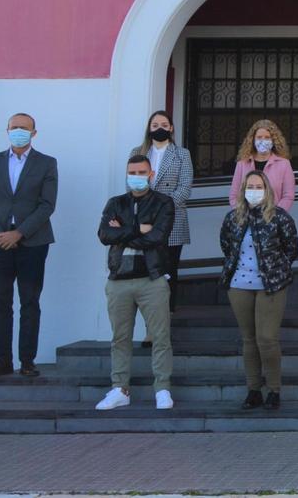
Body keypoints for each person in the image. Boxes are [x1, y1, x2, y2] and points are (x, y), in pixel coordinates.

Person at [0, 112, 58, 378]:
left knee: (29, 301)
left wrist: (19, 233)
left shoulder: (46, 163)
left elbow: (47, 205)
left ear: (34, 132)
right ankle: (3, 360)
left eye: (24, 128)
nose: (19, 131)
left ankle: (27, 361)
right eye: (14, 127)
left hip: (33, 242)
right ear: (7, 130)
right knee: (0, 302)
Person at [95, 155, 176, 411]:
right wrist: (137, 229)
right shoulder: (116, 203)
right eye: (132, 171)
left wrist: (123, 231)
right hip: (119, 279)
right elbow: (105, 235)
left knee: (161, 337)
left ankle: (162, 388)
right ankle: (120, 388)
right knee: (120, 337)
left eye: (142, 171)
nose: (137, 176)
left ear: (151, 175)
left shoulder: (164, 202)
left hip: (151, 278)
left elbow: (157, 237)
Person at [218, 171, 298, 411]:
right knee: (249, 339)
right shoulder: (233, 218)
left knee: (267, 339)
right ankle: (253, 390)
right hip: (239, 285)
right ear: (243, 190)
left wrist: (276, 269)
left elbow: (291, 248)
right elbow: (225, 245)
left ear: (267, 190)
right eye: (250, 186)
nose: (254, 190)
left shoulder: (279, 217)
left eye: (259, 186)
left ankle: (273, 390)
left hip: (271, 285)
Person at [130, 110, 193, 320]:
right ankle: (149, 322)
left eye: (164, 124)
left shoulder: (182, 154)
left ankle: (167, 317)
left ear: (171, 128)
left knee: (169, 269)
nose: (159, 128)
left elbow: (184, 188)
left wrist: (161, 210)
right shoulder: (137, 152)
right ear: (149, 128)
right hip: (144, 220)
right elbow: (132, 184)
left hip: (172, 220)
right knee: (148, 269)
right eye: (155, 124)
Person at [229, 119, 296, 211]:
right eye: (259, 137)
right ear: (253, 140)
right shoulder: (242, 163)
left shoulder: (284, 164)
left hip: (274, 218)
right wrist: (241, 213)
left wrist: (276, 215)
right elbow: (234, 195)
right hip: (246, 219)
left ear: (274, 140)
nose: (263, 140)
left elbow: (288, 196)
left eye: (267, 137)